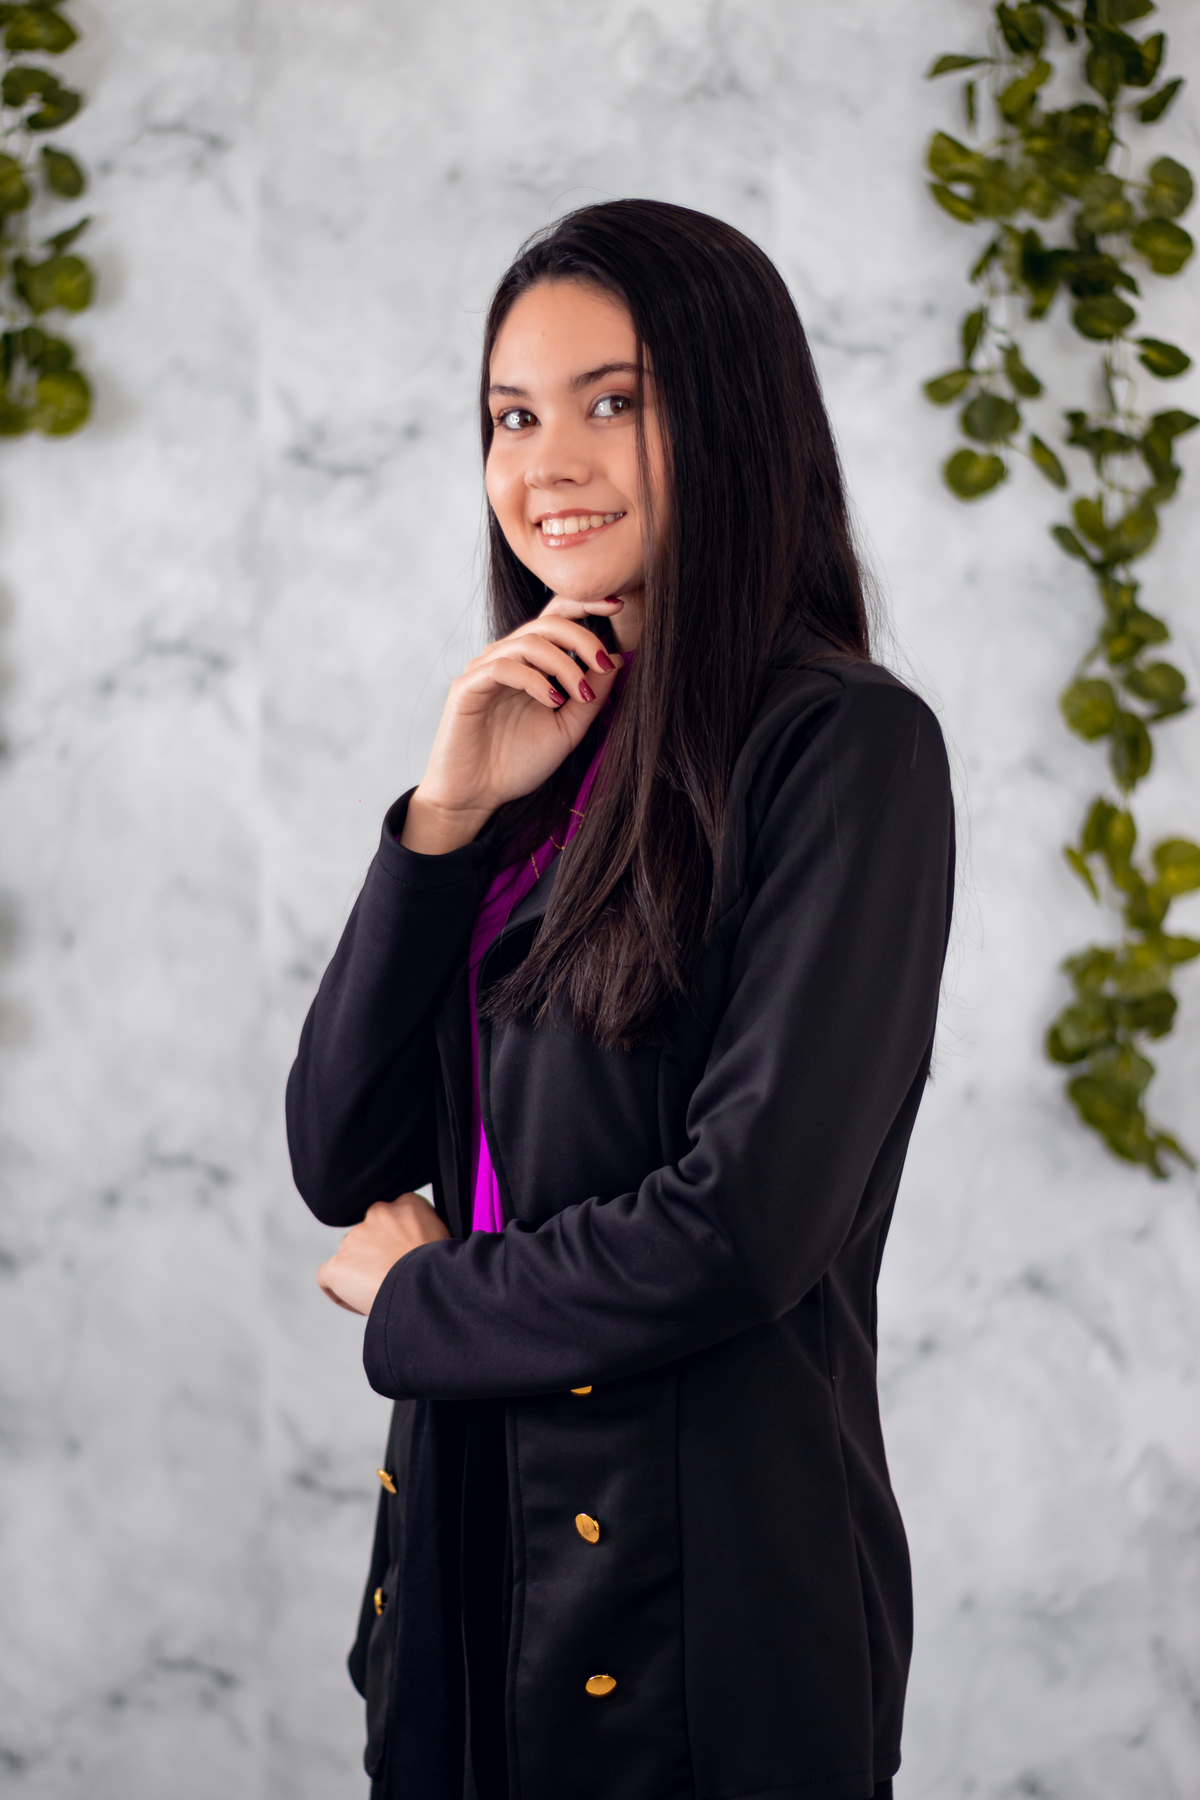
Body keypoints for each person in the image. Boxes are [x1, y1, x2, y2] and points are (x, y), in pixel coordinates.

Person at [286, 198, 954, 1800]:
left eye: (612, 402)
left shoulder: (843, 748)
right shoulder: (538, 750)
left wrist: (424, 1303)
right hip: (466, 1569)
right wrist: (442, 823)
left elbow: (742, 1228)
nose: (549, 464)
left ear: (729, 416)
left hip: (694, 1615)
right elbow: (341, 1156)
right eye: (513, 416)